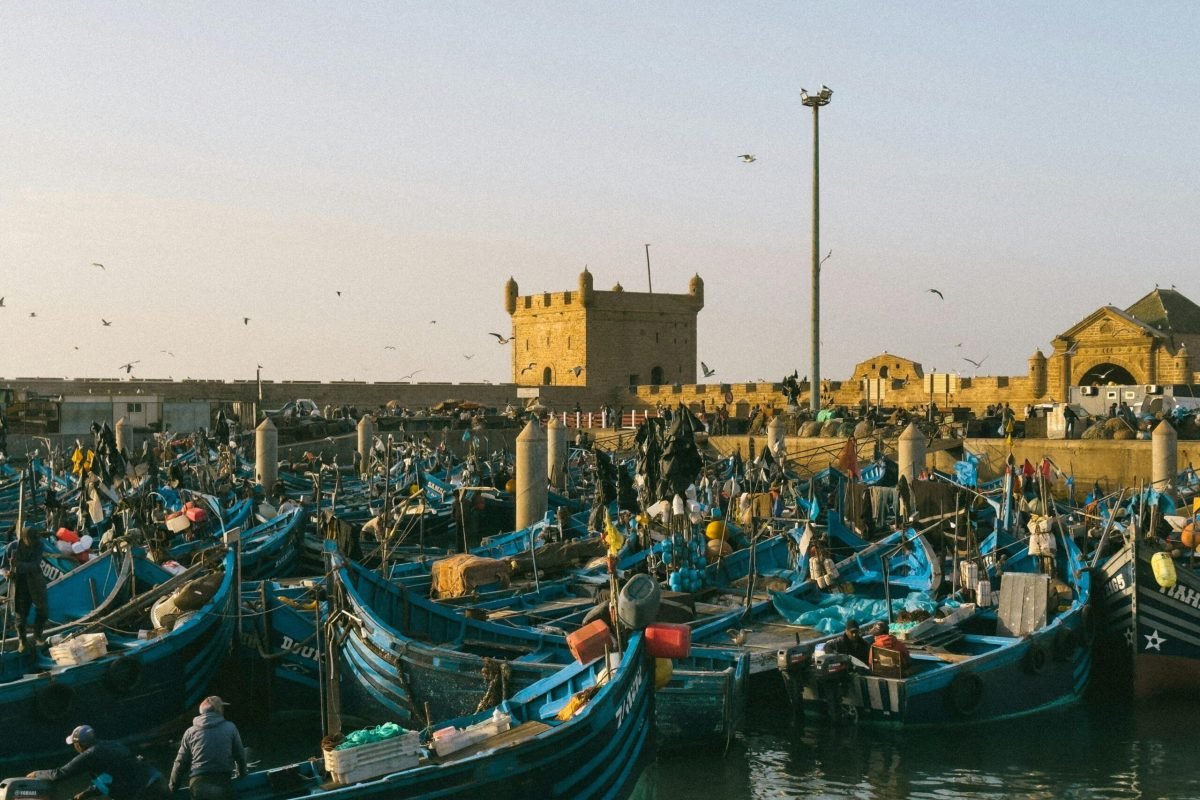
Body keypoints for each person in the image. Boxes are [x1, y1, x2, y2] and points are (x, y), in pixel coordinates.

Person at [29, 725, 168, 800]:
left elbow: (60, 774)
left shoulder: (90, 754)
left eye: (74, 744)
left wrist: (37, 773)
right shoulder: (111, 745)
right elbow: (112, 776)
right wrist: (87, 793)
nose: (74, 747)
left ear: (79, 744)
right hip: (159, 783)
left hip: (144, 793)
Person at [169, 696, 247, 800]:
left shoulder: (190, 732)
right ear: (218, 710)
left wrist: (173, 787)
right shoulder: (230, 727)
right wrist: (241, 773)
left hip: (198, 785)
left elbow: (180, 763)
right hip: (222, 782)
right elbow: (240, 755)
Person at [5, 524, 49, 652]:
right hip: (19, 583)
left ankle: (38, 635)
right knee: (20, 614)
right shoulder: (13, 547)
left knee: (43, 610)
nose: (32, 542)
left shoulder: (39, 545)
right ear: (24, 538)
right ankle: (22, 641)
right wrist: (7, 572)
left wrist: (18, 565)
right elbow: (3, 567)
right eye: (30, 539)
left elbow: (35, 565)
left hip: (35, 580)